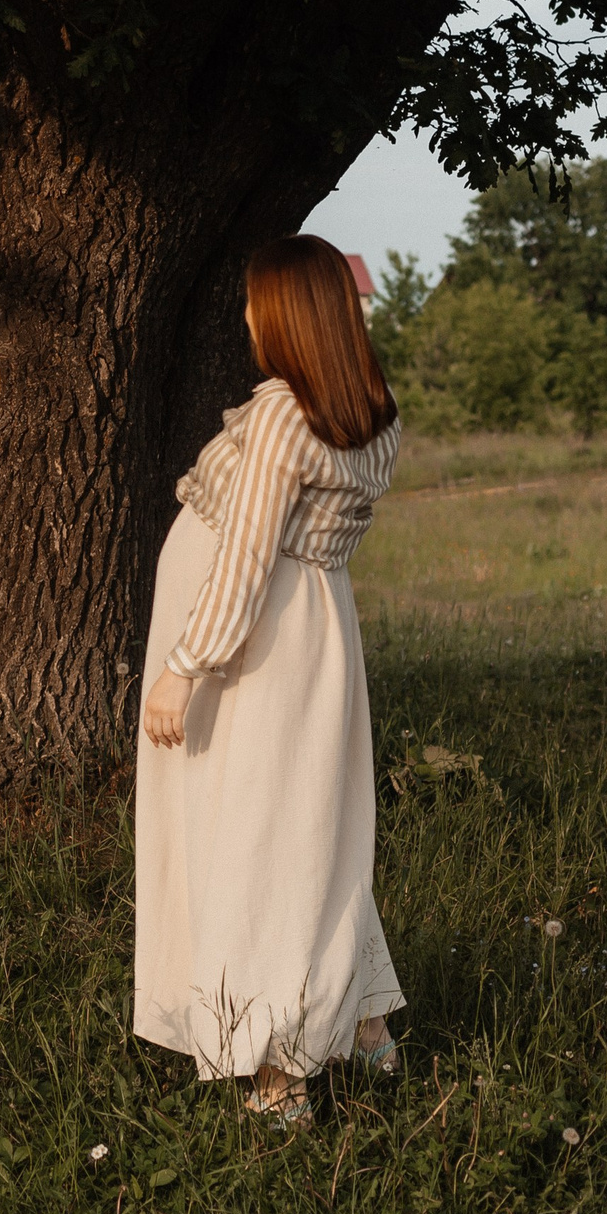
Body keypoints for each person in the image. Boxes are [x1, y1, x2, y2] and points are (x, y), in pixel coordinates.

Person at [134, 235, 404, 1124]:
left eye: (256, 301)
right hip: (314, 631)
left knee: (254, 839)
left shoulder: (287, 413)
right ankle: (364, 1022)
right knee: (310, 831)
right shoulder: (370, 410)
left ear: (286, 314)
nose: (247, 314)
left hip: (251, 648)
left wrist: (183, 668)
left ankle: (280, 1073)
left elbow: (247, 557)